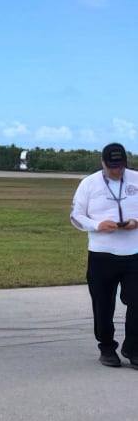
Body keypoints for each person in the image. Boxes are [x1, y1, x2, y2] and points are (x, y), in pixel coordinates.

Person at [71, 142, 138, 368]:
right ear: (103, 163)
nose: (116, 171)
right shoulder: (88, 184)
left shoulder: (136, 179)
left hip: (133, 253)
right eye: (111, 167)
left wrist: (135, 222)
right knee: (102, 304)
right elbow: (76, 216)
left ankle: (133, 347)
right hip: (102, 254)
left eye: (119, 166)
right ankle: (107, 347)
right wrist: (97, 224)